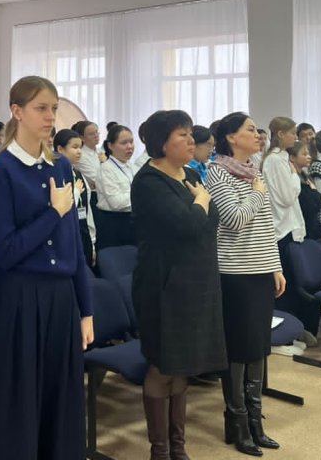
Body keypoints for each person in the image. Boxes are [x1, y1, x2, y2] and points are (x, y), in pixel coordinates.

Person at [0, 76, 92, 460]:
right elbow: (6, 251)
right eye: (41, 108)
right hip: (18, 298)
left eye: (53, 109)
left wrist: (86, 308)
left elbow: (74, 245)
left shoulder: (60, 167)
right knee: (19, 404)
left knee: (61, 400)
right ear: (17, 111)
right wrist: (53, 213)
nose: (50, 117)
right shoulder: (0, 170)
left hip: (61, 298)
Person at [132, 110, 225, 460]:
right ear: (162, 142)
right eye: (182, 135)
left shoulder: (191, 174)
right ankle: (159, 450)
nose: (191, 141)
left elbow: (210, 222)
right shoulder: (148, 181)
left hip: (197, 282)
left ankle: (178, 446)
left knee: (183, 363)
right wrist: (200, 202)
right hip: (163, 285)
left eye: (190, 134)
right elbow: (186, 225)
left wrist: (200, 209)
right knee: (162, 365)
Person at [206, 112, 284, 455]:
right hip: (235, 273)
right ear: (231, 138)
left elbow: (267, 225)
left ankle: (256, 419)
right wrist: (256, 193)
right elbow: (235, 219)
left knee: (258, 346)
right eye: (250, 130)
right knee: (239, 348)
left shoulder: (254, 171)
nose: (258, 135)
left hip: (261, 269)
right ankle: (237, 421)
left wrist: (276, 266)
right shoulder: (217, 173)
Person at [262, 117, 316, 346]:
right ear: (280, 134)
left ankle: (296, 331)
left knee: (293, 285)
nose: (296, 137)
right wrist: (294, 175)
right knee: (284, 289)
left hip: (289, 227)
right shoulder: (275, 160)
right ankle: (284, 337)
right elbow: (286, 197)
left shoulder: (283, 158)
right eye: (292, 133)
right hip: (280, 230)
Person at [54, 129, 97, 269]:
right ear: (60, 149)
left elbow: (88, 211)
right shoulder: (54, 175)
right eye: (74, 147)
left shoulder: (78, 173)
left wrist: (92, 242)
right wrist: (76, 191)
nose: (79, 152)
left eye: (80, 147)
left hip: (82, 234)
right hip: (64, 237)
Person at [95, 124, 139, 248]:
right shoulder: (106, 169)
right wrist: (140, 197)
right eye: (124, 143)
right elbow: (116, 202)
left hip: (133, 221)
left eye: (131, 142)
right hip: (113, 224)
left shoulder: (133, 167)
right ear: (110, 145)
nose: (129, 146)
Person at [289, 142, 321, 241]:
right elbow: (309, 205)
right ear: (292, 157)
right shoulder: (292, 179)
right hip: (301, 229)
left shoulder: (306, 177)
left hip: (312, 228)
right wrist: (314, 192)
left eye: (308, 154)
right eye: (304, 154)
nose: (309, 157)